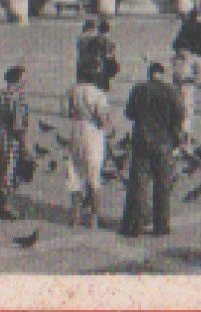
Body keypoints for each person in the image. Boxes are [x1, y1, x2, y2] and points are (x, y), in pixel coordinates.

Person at [119, 62, 187, 238]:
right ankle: (161, 226)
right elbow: (180, 114)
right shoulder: (171, 91)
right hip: (164, 143)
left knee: (138, 184)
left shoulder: (139, 89)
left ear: (150, 74)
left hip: (141, 141)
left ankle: (134, 226)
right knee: (162, 185)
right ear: (162, 74)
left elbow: (129, 113)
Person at [64, 71, 111, 229]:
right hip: (92, 133)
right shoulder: (98, 94)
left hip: (76, 130)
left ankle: (75, 216)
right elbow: (102, 119)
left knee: (75, 174)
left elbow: (66, 112)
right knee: (94, 177)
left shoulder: (72, 91)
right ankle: (94, 218)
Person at [0, 65, 31, 219]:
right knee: (9, 171)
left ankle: (1, 205)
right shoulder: (19, 98)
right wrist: (24, 145)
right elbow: (18, 126)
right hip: (12, 138)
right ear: (18, 80)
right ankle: (5, 208)